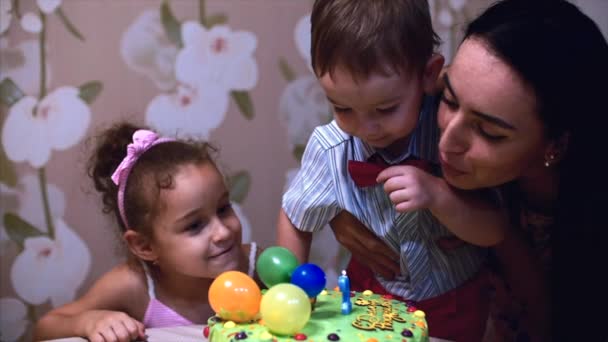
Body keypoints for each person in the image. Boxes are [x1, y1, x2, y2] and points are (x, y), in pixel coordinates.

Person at [330, 0, 608, 341]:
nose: (448, 141)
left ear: (556, 145)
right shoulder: (417, 123)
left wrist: (501, 235)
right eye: (448, 100)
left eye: (488, 132)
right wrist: (336, 211)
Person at [277, 1, 508, 340]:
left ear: (428, 75)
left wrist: (438, 196)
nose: (366, 127)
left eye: (386, 108)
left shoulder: (451, 131)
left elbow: (495, 231)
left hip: (458, 298)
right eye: (342, 108)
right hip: (372, 299)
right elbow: (295, 218)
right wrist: (290, 299)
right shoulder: (331, 149)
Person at [34, 123, 259, 342]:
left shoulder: (256, 266)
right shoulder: (135, 285)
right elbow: (45, 328)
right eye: (194, 225)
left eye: (223, 208)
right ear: (145, 246)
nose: (223, 232)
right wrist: (89, 321)